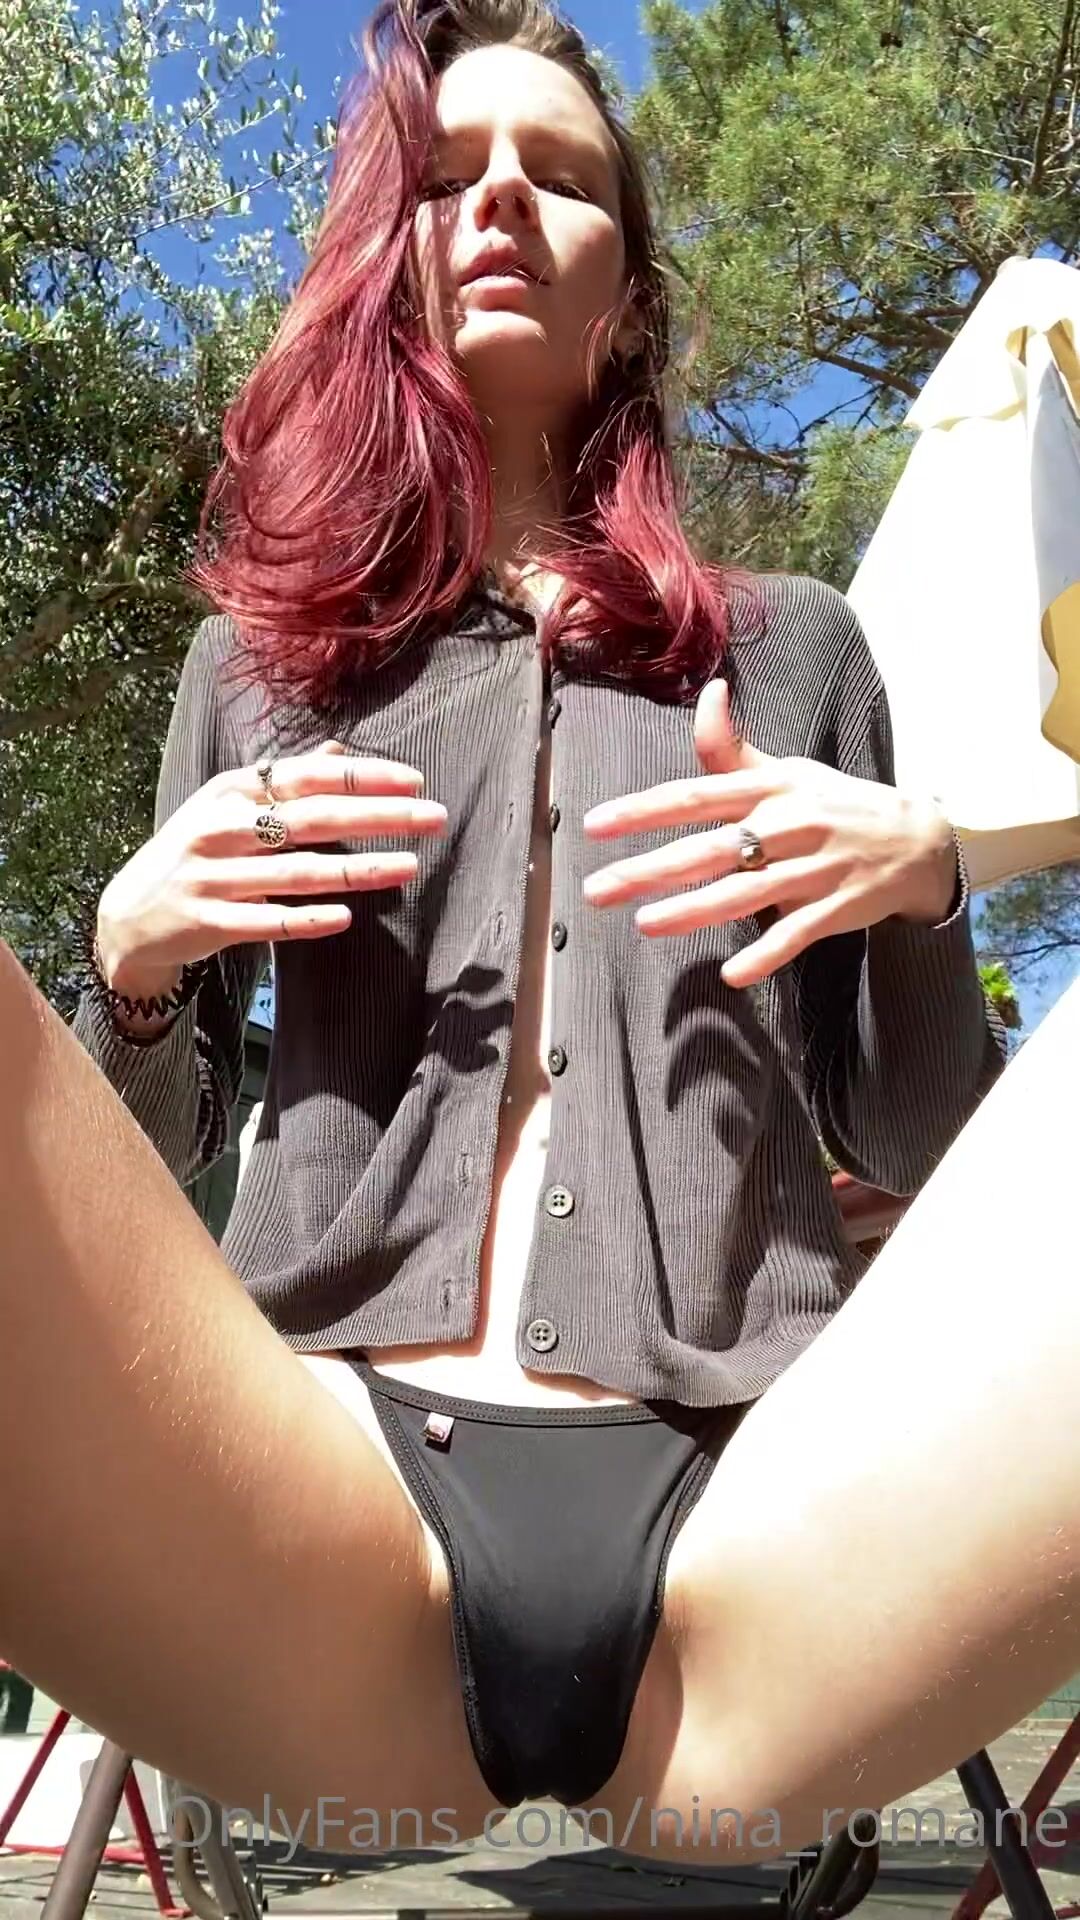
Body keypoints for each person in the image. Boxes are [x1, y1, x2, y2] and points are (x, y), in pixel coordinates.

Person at [3, 0, 1079, 1870]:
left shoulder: (795, 650)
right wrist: (133, 968)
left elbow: (919, 1143)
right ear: (387, 262)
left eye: (559, 173)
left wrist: (926, 891)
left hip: (765, 1514)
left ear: (632, 302)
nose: (498, 198)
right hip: (319, 1499)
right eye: (445, 175)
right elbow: (148, 1170)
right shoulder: (254, 676)